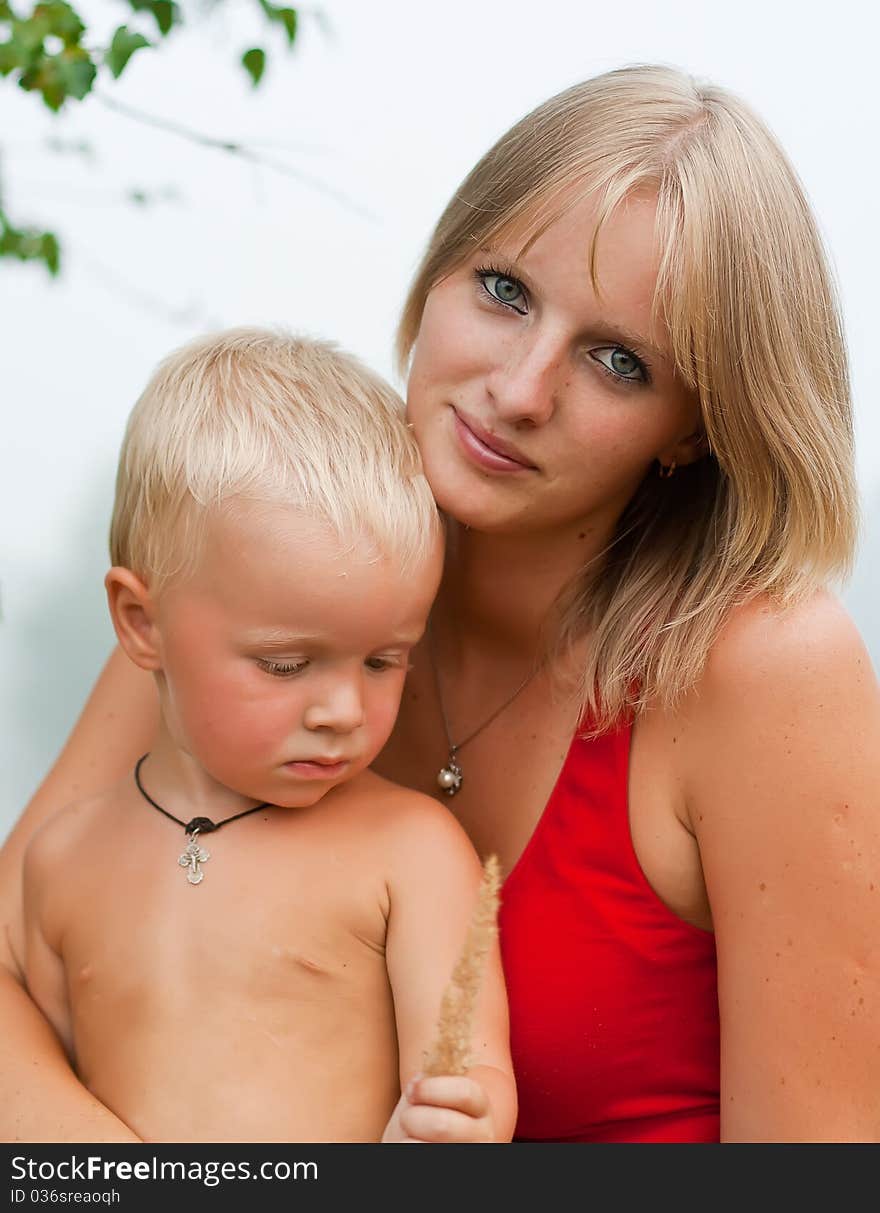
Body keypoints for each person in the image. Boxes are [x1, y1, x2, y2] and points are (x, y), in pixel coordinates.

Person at [3, 63, 879, 1143]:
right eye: (504, 291)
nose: (518, 391)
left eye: (616, 361)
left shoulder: (765, 670)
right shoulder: (260, 569)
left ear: (695, 427)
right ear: (434, 276)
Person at [12, 328, 516, 1143]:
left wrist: (463, 1120)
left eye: (386, 660)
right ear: (142, 623)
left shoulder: (411, 849)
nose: (344, 711)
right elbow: (47, 1099)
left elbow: (469, 1068)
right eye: (287, 664)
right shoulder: (61, 860)